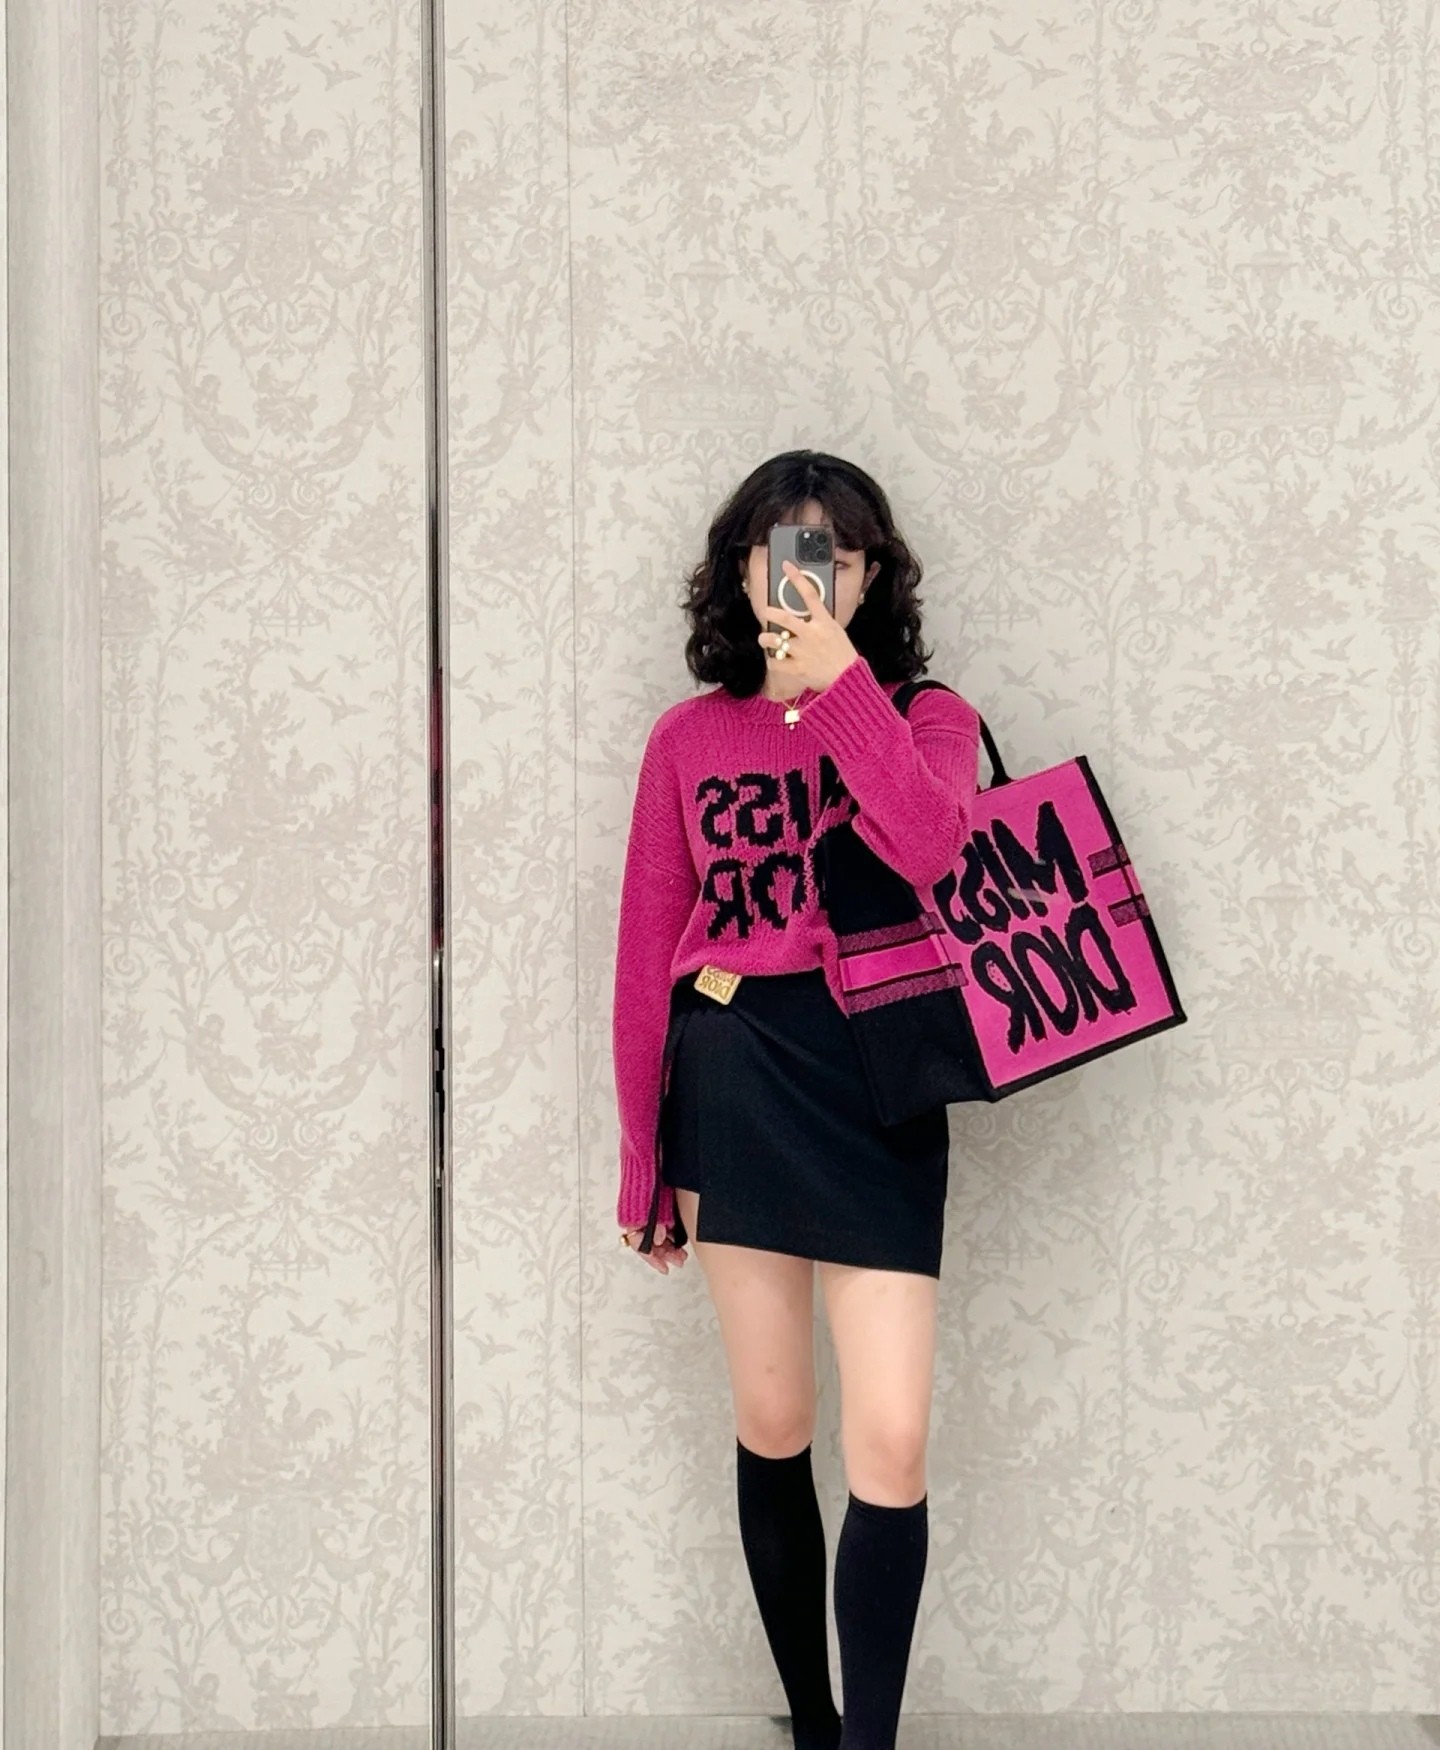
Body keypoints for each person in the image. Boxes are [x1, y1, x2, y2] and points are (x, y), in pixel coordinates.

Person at [610, 449, 981, 1750]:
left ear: (871, 577)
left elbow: (932, 845)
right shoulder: (687, 738)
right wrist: (641, 1160)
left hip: (877, 1080)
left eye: (837, 552)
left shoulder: (930, 718)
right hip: (735, 1070)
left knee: (892, 1440)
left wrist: (842, 694)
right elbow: (645, 954)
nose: (809, 574)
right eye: (785, 550)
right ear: (744, 568)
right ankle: (816, 1726)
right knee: (774, 1420)